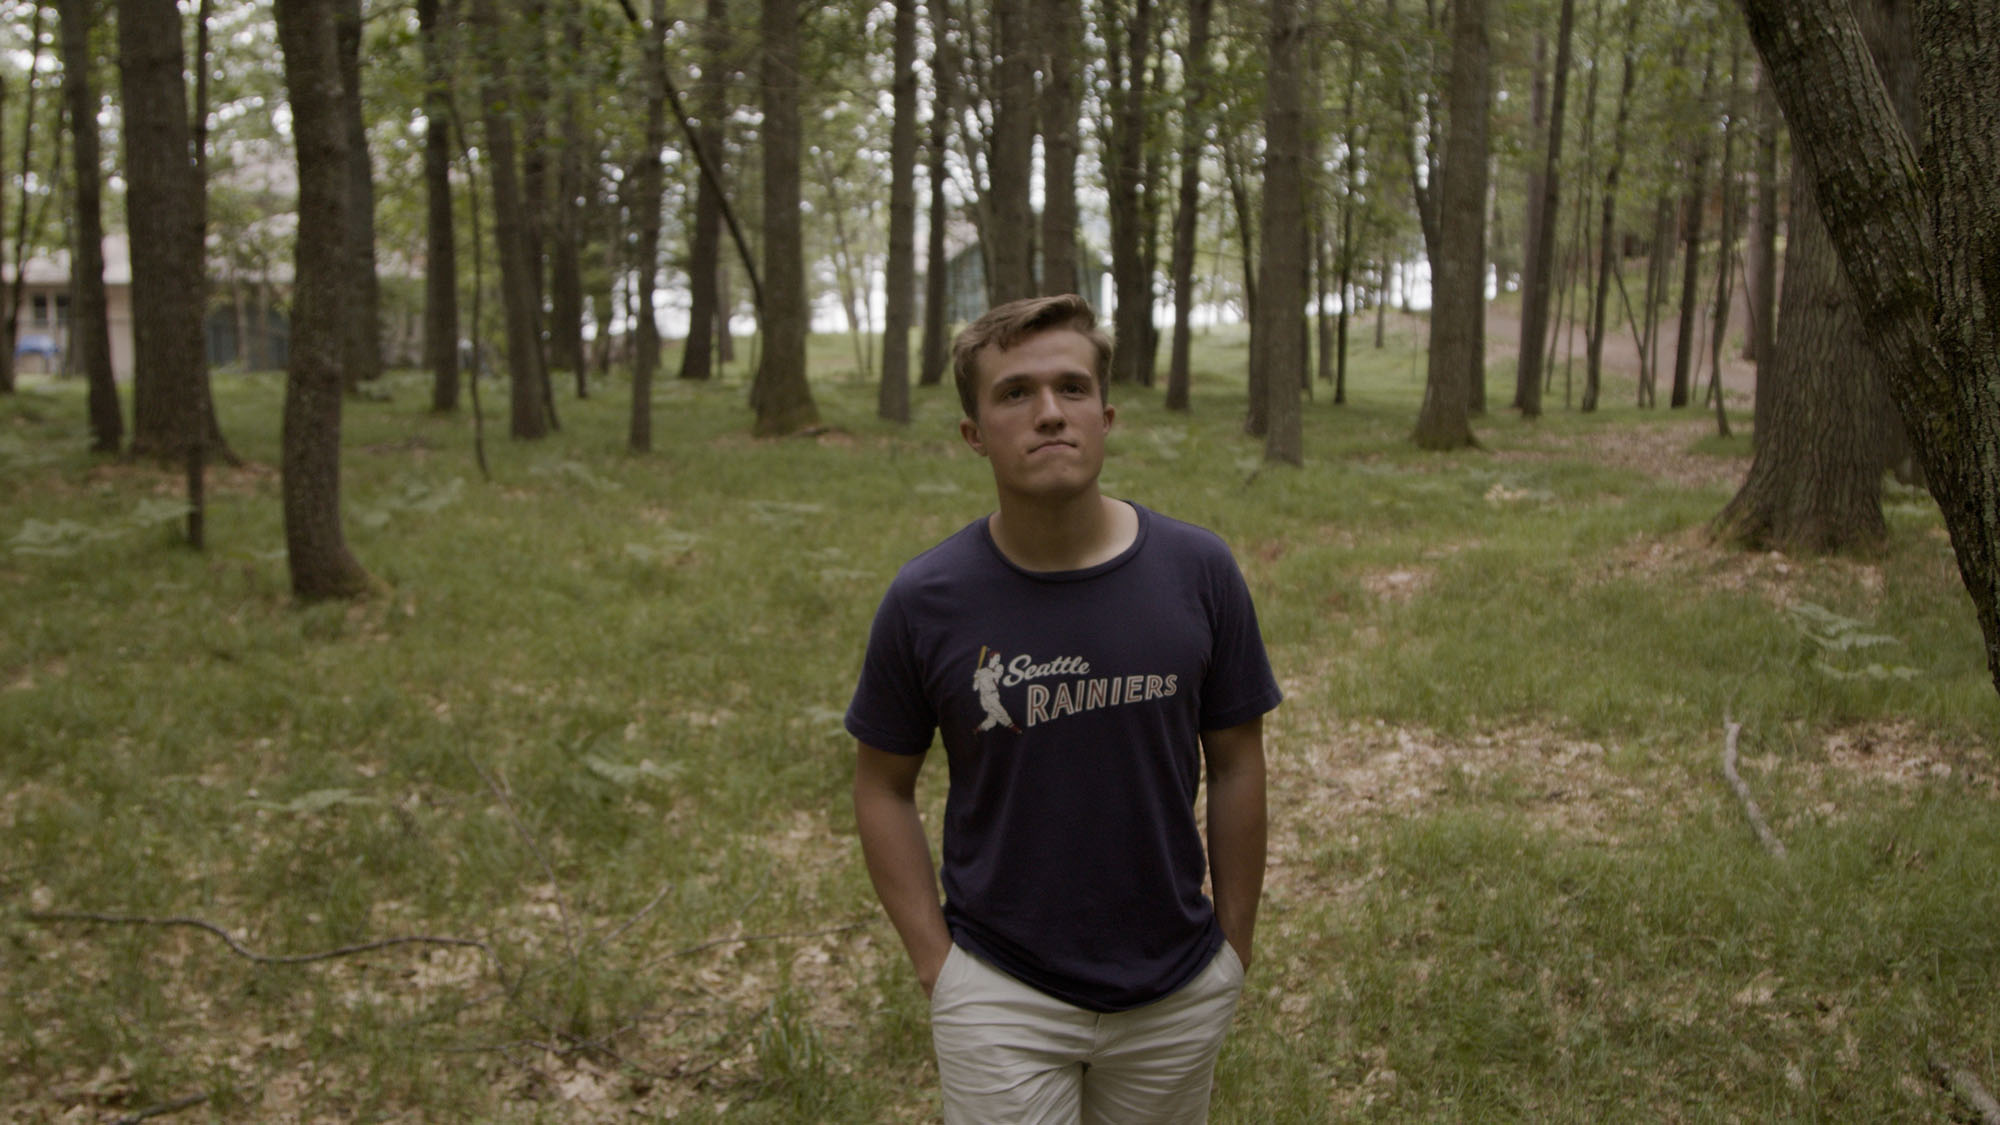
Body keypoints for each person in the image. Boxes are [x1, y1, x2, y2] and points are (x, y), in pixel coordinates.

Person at [846, 294, 1281, 1123]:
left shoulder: (1198, 571)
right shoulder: (927, 599)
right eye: (1015, 393)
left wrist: (1232, 945)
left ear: (1107, 415)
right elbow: (881, 785)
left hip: (1176, 984)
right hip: (1000, 988)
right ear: (974, 433)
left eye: (1072, 388)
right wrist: (938, 964)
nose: (1049, 413)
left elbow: (1236, 760)